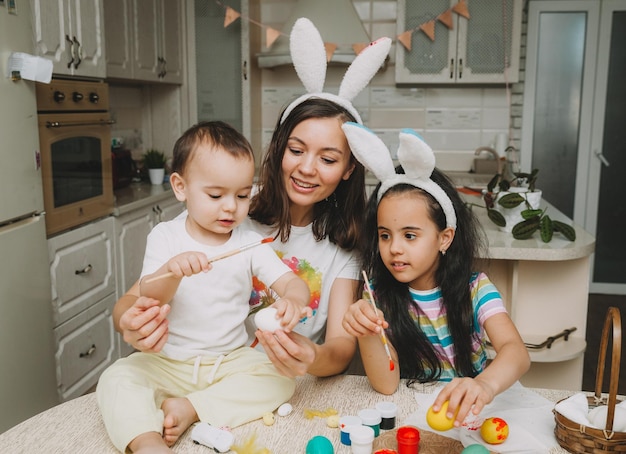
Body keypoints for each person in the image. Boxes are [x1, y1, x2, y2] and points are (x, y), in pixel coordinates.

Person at [112, 18, 392, 379]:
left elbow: (339, 349)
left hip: (279, 385)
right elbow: (134, 299)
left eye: (327, 159)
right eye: (296, 149)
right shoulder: (233, 209)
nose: (307, 168)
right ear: (278, 149)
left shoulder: (343, 247)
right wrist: (128, 323)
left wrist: (310, 356)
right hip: (201, 372)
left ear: (349, 168)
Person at [97, 121, 311, 454]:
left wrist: (295, 302)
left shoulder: (250, 242)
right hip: (166, 362)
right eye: (216, 195)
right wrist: (172, 272)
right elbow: (148, 298)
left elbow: (292, 283)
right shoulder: (165, 237)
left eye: (242, 195)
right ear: (181, 187)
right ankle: (146, 441)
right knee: (116, 378)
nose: (231, 206)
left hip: (230, 361)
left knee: (281, 379)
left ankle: (191, 407)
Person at [340, 124, 530, 427]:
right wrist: (367, 332)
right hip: (409, 416)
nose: (394, 249)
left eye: (410, 236)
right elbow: (387, 386)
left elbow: (516, 352)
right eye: (385, 235)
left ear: (444, 238)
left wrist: (484, 385)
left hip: (469, 413)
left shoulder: (475, 289)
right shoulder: (375, 294)